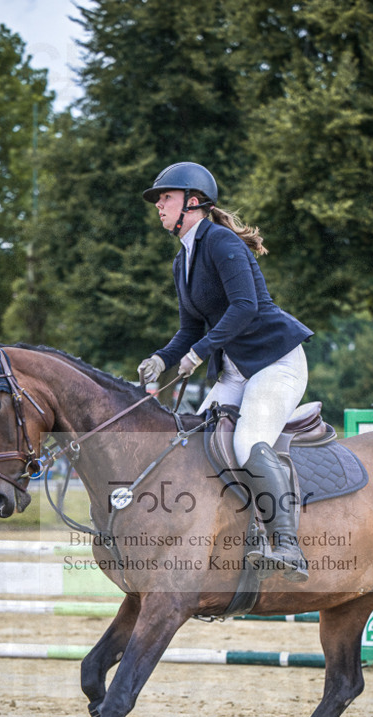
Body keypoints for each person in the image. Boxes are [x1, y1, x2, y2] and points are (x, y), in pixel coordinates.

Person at [138, 161, 313, 582]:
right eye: (159, 200)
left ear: (194, 202)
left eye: (166, 197)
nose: (159, 205)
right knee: (190, 445)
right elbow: (189, 329)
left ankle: (286, 545)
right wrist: (161, 359)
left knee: (248, 440)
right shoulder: (182, 261)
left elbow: (245, 307)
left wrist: (199, 353)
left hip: (275, 362)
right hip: (236, 373)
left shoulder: (220, 242)